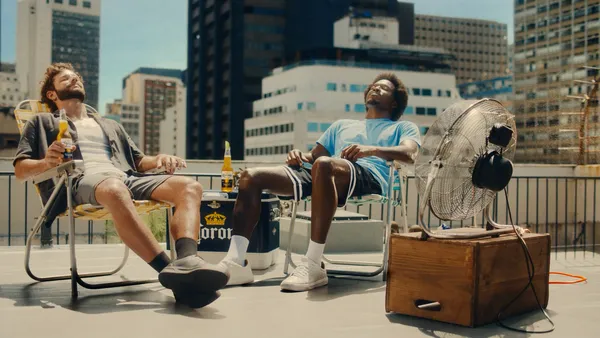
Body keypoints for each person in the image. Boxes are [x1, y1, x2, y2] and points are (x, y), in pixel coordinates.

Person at [13, 63, 229, 307]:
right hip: (78, 181)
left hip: (126, 177)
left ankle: (188, 261)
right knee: (115, 189)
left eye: (77, 77)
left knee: (190, 187)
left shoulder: (110, 125)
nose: (76, 80)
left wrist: (159, 159)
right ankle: (170, 272)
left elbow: (139, 161)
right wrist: (46, 161)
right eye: (66, 79)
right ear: (52, 94)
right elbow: (20, 170)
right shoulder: (41, 122)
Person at [218, 72, 421, 292]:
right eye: (373, 86)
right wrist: (298, 155)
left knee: (325, 165)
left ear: (394, 102)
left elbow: (410, 153)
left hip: (369, 175)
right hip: (326, 170)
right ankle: (236, 262)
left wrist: (371, 150)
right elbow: (313, 157)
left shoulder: (403, 127)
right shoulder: (342, 125)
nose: (374, 88)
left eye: (383, 88)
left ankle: (313, 264)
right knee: (250, 176)